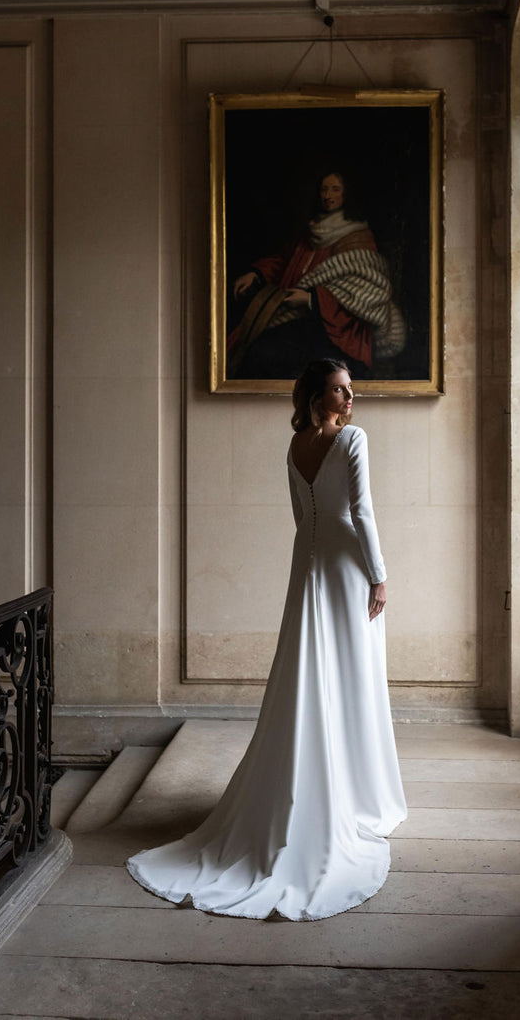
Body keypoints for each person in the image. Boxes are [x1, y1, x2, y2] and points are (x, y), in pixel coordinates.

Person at [126, 359, 407, 920]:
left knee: (312, 675)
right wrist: (378, 575)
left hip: (307, 569)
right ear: (316, 396)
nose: (351, 398)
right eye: (339, 389)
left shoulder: (295, 446)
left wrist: (317, 556)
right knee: (352, 680)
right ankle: (351, 796)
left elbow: (301, 519)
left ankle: (331, 786)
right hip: (347, 567)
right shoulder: (352, 439)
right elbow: (362, 511)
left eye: (351, 389)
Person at [227, 171, 406, 379]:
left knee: (266, 354)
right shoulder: (311, 232)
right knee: (255, 352)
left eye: (335, 189)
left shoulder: (357, 238)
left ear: (346, 195)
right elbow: (285, 262)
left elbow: (364, 292)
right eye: (324, 189)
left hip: (337, 332)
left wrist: (312, 299)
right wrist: (256, 273)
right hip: (294, 319)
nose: (327, 195)